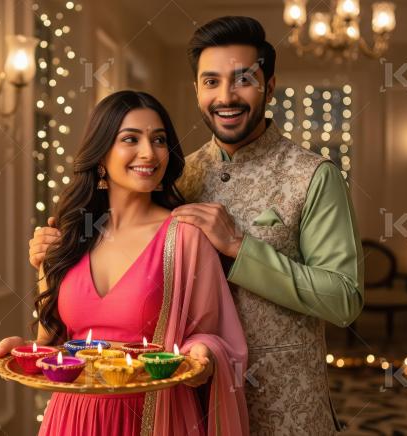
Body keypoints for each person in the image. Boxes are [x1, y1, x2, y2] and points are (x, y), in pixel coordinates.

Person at [30, 17, 364, 435]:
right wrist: (57, 254)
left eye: (243, 79)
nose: (226, 96)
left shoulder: (313, 175)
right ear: (197, 91)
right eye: (211, 81)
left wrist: (241, 248)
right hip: (184, 403)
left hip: (284, 404)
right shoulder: (179, 174)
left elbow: (344, 299)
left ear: (270, 85)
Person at [0, 90, 249, 436]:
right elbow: (53, 346)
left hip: (154, 417)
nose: (150, 152)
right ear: (100, 157)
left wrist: (203, 354)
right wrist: (23, 350)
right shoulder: (67, 238)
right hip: (72, 419)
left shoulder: (185, 236)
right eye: (131, 139)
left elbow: (212, 338)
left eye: (159, 140)